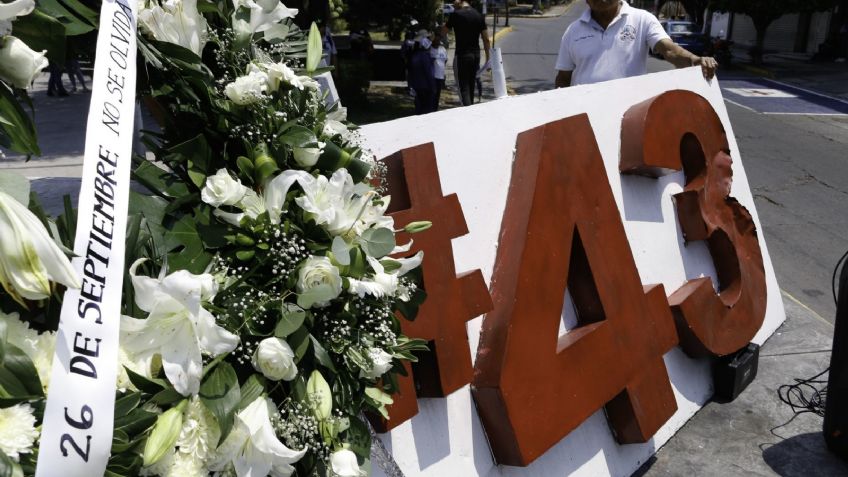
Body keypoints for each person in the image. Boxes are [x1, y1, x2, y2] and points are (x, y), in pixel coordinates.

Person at [555, 0, 717, 88]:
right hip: (586, 117)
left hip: (631, 117)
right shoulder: (573, 31)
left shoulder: (642, 19)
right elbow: (563, 78)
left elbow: (669, 51)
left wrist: (695, 60)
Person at [443, 0, 491, 106]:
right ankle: (471, 113)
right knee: (471, 87)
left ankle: (467, 115)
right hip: (476, 56)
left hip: (462, 56)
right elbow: (486, 39)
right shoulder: (479, 15)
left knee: (463, 89)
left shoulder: (455, 15)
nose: (454, 2)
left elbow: (443, 31)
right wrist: (488, 59)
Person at [408, 30, 436, 115]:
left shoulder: (414, 55)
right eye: (427, 38)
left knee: (419, 110)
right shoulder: (424, 55)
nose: (430, 41)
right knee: (427, 111)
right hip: (426, 88)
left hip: (417, 87)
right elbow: (429, 73)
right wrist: (433, 87)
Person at [431, 32, 448, 111]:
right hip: (433, 77)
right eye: (436, 41)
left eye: (439, 41)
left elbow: (445, 60)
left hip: (440, 76)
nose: (438, 42)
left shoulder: (443, 49)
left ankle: (435, 110)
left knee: (437, 95)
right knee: (432, 95)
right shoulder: (430, 50)